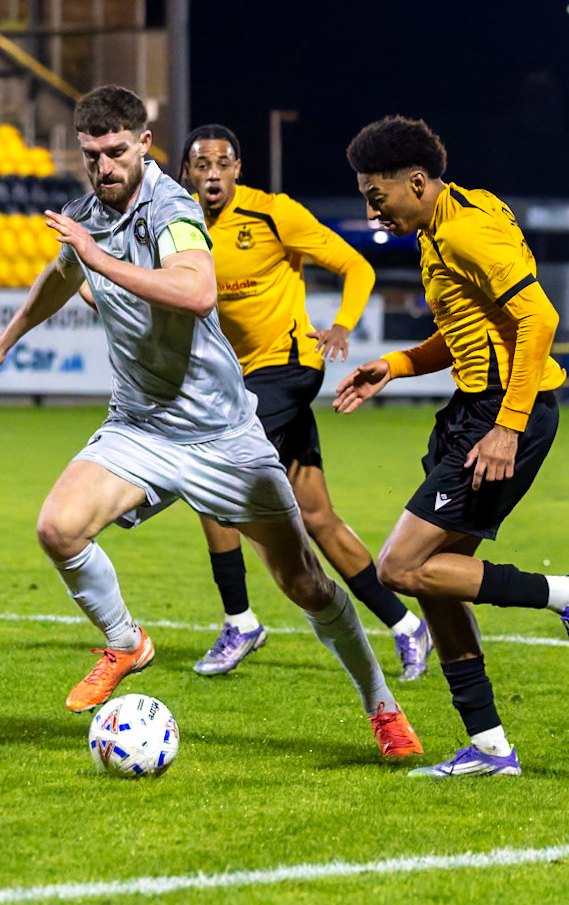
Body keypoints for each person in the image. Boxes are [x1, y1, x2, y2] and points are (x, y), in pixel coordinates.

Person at [0, 85, 421, 759]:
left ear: (144, 145)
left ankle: (382, 704)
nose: (104, 167)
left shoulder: (172, 208)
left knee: (303, 581)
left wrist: (98, 256)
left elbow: (195, 288)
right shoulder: (87, 213)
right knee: (57, 528)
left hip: (220, 435)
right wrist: (4, 341)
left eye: (116, 152)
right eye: (91, 155)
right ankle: (127, 642)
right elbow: (61, 273)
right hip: (140, 427)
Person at [339, 115, 569, 778]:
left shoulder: (464, 230)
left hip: (497, 414)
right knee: (436, 584)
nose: (372, 209)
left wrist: (506, 425)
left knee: (399, 568)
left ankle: (567, 593)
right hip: (475, 409)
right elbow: (470, 328)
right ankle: (489, 746)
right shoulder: (443, 224)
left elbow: (537, 318)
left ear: (416, 180)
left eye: (378, 197)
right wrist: (396, 365)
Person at [178, 124, 432, 681]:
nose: (213, 173)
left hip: (290, 366)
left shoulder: (274, 213)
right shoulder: (180, 229)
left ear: (238, 169)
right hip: (241, 382)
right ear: (187, 173)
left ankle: (239, 620)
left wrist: (342, 325)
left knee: (207, 471)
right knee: (317, 516)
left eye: (223, 162)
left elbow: (357, 266)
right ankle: (406, 625)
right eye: (201, 164)